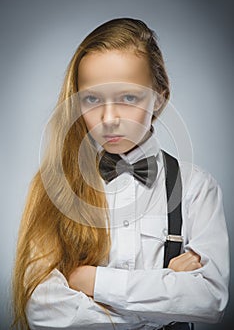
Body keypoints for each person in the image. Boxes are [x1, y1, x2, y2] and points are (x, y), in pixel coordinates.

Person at [12, 18, 229, 330]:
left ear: (160, 97)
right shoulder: (56, 187)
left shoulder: (196, 188)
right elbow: (42, 308)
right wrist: (160, 296)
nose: (109, 118)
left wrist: (91, 280)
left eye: (129, 98)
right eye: (92, 99)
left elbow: (210, 299)